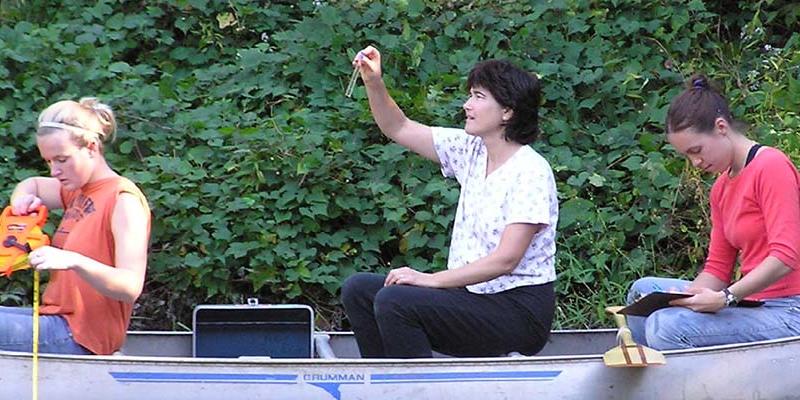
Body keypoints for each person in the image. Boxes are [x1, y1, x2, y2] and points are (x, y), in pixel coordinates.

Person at [340, 46, 558, 358]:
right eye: (470, 95)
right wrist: (374, 82)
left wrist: (430, 281)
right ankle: (380, 385)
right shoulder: (472, 149)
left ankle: (417, 391)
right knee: (360, 290)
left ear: (507, 111)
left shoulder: (530, 172)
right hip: (471, 298)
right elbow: (398, 127)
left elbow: (506, 260)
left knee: (396, 301)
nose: (467, 105)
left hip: (517, 311)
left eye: (479, 97)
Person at [626, 74, 800, 350]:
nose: (695, 163)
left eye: (697, 151)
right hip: (753, 303)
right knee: (643, 291)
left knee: (666, 327)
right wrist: (693, 295)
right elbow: (718, 268)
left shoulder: (771, 166)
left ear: (721, 127)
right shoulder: (720, 187)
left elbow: (786, 256)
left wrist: (726, 297)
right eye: (687, 156)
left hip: (790, 310)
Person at [0, 98, 151, 355]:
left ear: (91, 147)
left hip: (80, 335)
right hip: (53, 320)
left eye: (61, 159)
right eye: (48, 162)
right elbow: (32, 185)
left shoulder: (123, 200)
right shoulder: (78, 190)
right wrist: (21, 200)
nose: (54, 171)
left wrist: (72, 260)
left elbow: (130, 287)